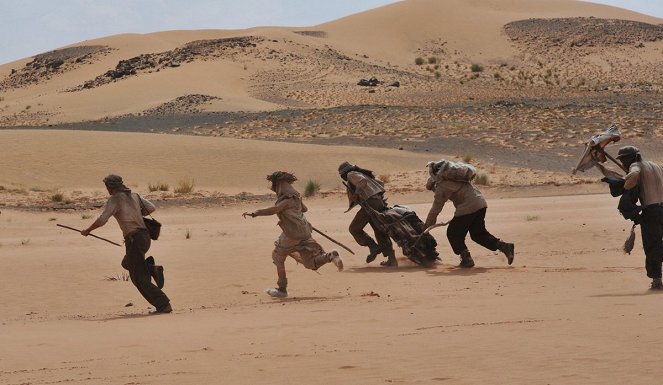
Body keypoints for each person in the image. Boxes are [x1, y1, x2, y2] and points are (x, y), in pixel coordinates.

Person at [242, 171, 343, 298]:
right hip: (305, 231)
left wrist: (255, 213)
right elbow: (305, 209)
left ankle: (282, 289)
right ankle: (330, 256)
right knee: (310, 263)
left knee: (277, 256)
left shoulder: (286, 200)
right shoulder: (296, 197)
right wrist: (295, 211)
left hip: (292, 234)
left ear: (278, 185)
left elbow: (274, 210)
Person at [82, 174, 171, 313]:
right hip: (145, 237)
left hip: (135, 239)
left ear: (110, 186)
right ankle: (152, 269)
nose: (106, 188)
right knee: (127, 263)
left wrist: (88, 230)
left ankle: (163, 304)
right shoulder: (134, 195)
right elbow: (151, 207)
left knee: (138, 278)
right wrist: (135, 213)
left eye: (107, 186)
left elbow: (102, 219)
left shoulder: (115, 198)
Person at [424, 160, 514, 268]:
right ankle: (505, 247)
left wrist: (427, 224)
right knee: (478, 234)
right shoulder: (455, 179)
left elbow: (436, 208)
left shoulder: (441, 186)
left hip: (468, 206)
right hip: (480, 203)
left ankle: (466, 258)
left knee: (453, 233)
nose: (433, 191)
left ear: (434, 182)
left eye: (432, 189)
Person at [616, 146, 663, 290]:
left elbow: (634, 175)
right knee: (656, 244)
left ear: (631, 158)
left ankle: (656, 281)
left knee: (652, 246)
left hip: (652, 211)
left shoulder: (635, 166)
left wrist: (627, 184)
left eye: (624, 160)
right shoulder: (655, 165)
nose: (623, 163)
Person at [338, 161, 397, 267]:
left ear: (343, 173)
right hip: (378, 202)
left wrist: (356, 193)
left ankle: (373, 246)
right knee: (379, 230)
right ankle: (391, 259)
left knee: (354, 228)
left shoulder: (351, 174)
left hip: (370, 204)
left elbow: (362, 181)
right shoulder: (363, 173)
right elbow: (380, 183)